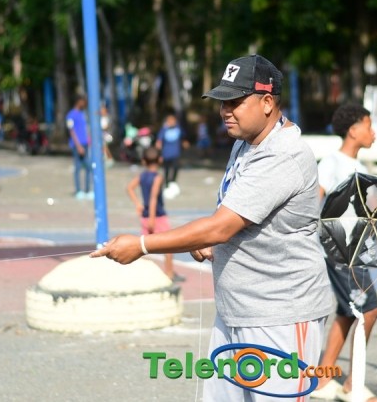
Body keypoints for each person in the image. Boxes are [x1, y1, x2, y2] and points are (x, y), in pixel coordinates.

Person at [90, 54, 333, 400]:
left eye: (235, 102)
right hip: (237, 310)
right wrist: (212, 241)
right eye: (222, 102)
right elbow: (233, 219)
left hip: (279, 315)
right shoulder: (245, 143)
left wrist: (142, 246)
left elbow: (221, 226)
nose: (225, 111)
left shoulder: (283, 154)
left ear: (267, 103)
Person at [312, 104, 377, 402]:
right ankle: (352, 384)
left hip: (354, 252)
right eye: (369, 126)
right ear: (354, 130)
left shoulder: (363, 171)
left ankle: (322, 379)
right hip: (339, 251)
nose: (373, 132)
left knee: (347, 312)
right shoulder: (331, 163)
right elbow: (313, 201)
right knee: (369, 310)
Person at [126, 146, 177, 280]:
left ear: (143, 161)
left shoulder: (141, 176)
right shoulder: (158, 177)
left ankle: (144, 275)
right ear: (160, 160)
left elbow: (129, 188)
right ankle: (170, 274)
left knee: (143, 247)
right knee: (169, 246)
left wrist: (138, 204)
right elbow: (153, 198)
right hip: (158, 216)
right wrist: (152, 218)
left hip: (145, 216)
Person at [156, 113, 190, 194]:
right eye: (169, 120)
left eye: (173, 120)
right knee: (166, 170)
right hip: (166, 153)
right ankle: (167, 183)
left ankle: (173, 182)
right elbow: (159, 140)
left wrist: (185, 143)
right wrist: (159, 151)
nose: (171, 122)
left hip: (176, 153)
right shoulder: (164, 129)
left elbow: (183, 138)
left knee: (175, 168)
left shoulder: (179, 129)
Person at [67, 96, 93, 200]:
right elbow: (71, 131)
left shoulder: (83, 114)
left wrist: (89, 141)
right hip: (77, 145)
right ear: (78, 102)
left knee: (88, 167)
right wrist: (78, 146)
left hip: (85, 143)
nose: (84, 104)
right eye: (82, 102)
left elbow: (86, 129)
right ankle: (78, 190)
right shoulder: (71, 115)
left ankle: (87, 190)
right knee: (78, 167)